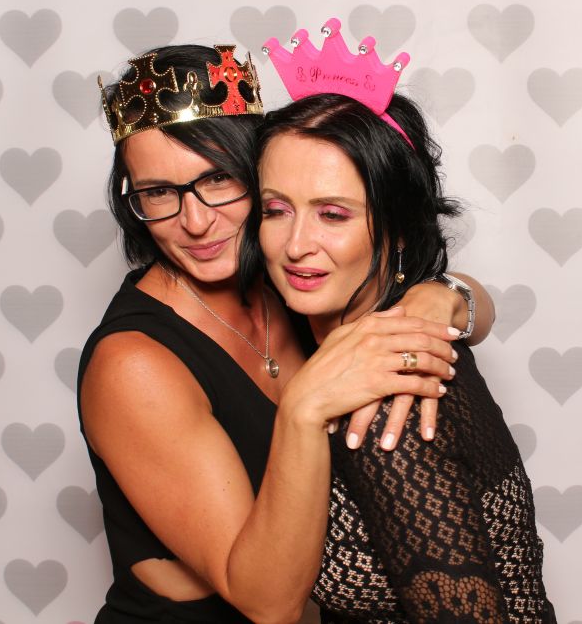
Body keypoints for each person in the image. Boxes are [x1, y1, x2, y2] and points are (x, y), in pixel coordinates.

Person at [78, 43, 494, 623]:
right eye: (158, 192)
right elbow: (268, 604)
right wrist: (302, 409)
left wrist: (440, 297)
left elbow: (474, 307)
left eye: (217, 179)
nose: (195, 222)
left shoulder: (291, 278)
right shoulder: (134, 364)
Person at [252, 21, 555, 622]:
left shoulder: (392, 406)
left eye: (333, 214)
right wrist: (451, 293)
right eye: (276, 209)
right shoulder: (360, 334)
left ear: (396, 229)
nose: (296, 244)